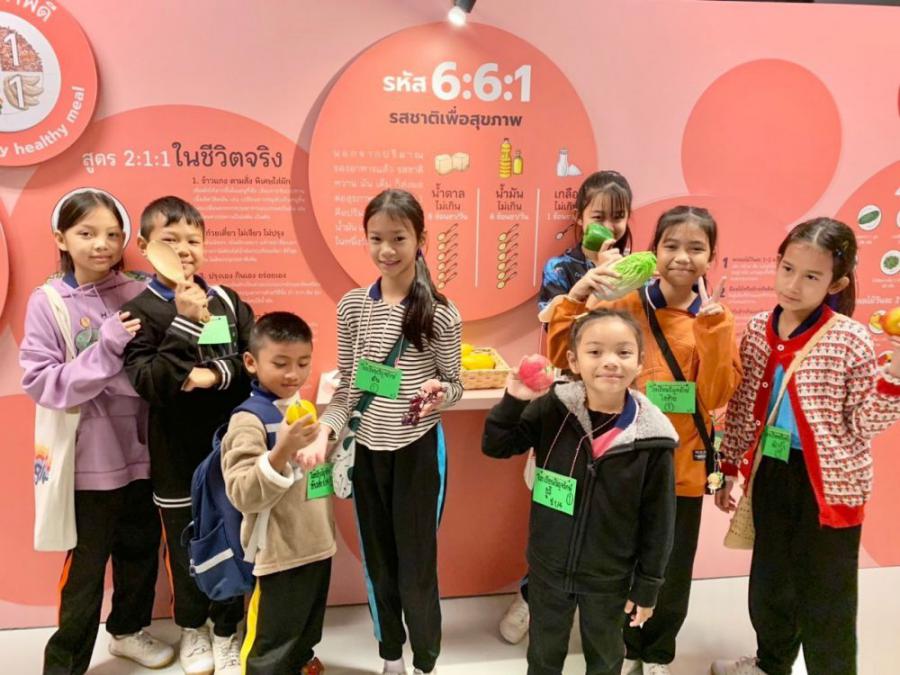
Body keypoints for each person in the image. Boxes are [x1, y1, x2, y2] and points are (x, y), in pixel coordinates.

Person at [547, 206, 742, 674]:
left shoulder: (715, 319)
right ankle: (622, 646)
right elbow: (562, 353)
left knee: (670, 570)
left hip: (682, 469)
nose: (682, 257)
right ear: (654, 251)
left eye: (696, 248)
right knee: (617, 562)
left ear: (711, 256)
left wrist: (714, 331)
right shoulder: (627, 305)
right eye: (671, 245)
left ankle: (656, 653)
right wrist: (579, 295)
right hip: (622, 463)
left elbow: (716, 395)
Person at [711, 218, 900, 675]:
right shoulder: (760, 328)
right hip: (773, 470)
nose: (793, 285)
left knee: (827, 595)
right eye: (788, 269)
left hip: (830, 485)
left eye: (811, 276)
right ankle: (770, 663)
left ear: (836, 283)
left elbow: (863, 424)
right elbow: (743, 406)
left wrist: (894, 377)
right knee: (770, 580)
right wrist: (729, 466)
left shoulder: (850, 338)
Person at [20, 190, 173, 674]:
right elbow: (42, 382)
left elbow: (162, 367)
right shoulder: (48, 302)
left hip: (145, 452)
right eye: (86, 233)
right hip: (89, 458)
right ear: (61, 237)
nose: (101, 244)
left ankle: (128, 632)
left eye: (111, 234)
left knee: (140, 550)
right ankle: (65, 661)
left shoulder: (140, 291)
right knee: (86, 565)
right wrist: (106, 348)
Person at [313, 189, 462, 675]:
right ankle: (391, 657)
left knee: (416, 566)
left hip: (418, 451)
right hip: (367, 454)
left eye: (398, 238)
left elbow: (455, 383)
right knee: (378, 562)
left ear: (420, 239)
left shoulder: (440, 312)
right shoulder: (352, 307)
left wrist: (440, 394)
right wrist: (325, 433)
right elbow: (347, 390)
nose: (386, 250)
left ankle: (425, 662)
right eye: (376, 238)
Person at [484, 309, 677, 675]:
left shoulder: (653, 438)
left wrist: (648, 585)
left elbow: (660, 521)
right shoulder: (553, 409)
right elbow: (496, 445)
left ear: (639, 361)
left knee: (605, 657)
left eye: (623, 352)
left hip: (610, 575)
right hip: (548, 566)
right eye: (595, 351)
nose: (610, 362)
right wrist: (515, 400)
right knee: (543, 655)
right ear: (573, 361)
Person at [123, 196, 254, 675]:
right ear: (144, 246)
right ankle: (192, 629)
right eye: (170, 240)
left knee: (233, 536)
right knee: (185, 545)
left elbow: (252, 364)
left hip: (228, 448)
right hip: (174, 453)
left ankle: (226, 630)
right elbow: (152, 384)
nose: (184, 250)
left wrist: (211, 375)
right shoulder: (137, 312)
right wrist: (181, 321)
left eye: (193, 240)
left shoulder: (226, 301)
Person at [221, 312, 334, 675]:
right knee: (269, 643)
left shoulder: (302, 406)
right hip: (278, 552)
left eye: (303, 363)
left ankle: (301, 661)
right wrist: (281, 450)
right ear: (251, 362)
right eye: (281, 363)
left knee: (306, 625)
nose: (293, 374)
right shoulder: (248, 419)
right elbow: (242, 492)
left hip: (317, 542)